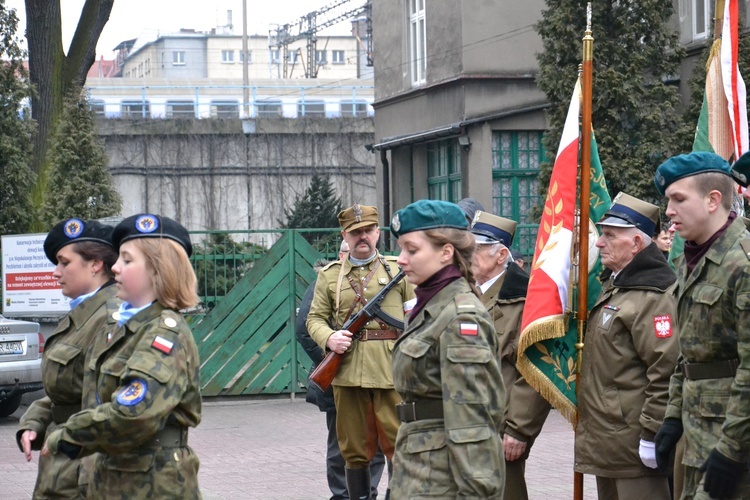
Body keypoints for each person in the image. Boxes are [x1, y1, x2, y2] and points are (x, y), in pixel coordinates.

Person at [41, 213, 202, 499]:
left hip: (153, 485)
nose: (114, 267)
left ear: (157, 269)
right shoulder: (126, 329)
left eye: (127, 260)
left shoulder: (163, 335)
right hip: (118, 478)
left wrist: (68, 434)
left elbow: (133, 414)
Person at [389, 199, 506, 498]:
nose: (401, 259)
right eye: (401, 248)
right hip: (419, 468)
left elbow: (473, 422)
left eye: (412, 250)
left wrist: (477, 492)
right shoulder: (433, 306)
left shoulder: (460, 317)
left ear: (446, 252)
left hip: (442, 480)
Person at [653, 152, 750, 500]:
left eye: (679, 199)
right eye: (668, 201)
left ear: (713, 200)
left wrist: (731, 450)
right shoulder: (691, 259)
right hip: (697, 437)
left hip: (734, 445)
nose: (668, 211)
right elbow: (690, 351)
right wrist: (672, 417)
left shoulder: (742, 261)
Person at [575, 193, 679, 500]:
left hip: (634, 445)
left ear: (636, 243)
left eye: (609, 236)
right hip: (610, 444)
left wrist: (652, 434)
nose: (598, 243)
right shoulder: (617, 285)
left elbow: (666, 370)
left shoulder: (654, 295)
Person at [307, 204, 415, 500]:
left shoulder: (399, 271)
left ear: (378, 232)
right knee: (353, 451)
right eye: (355, 233)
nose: (362, 237)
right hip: (348, 373)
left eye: (368, 230)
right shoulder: (330, 275)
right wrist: (330, 338)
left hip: (391, 372)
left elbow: (416, 318)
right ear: (345, 235)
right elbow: (314, 318)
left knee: (400, 445)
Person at [16, 219, 119, 498]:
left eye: (64, 263)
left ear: (96, 264)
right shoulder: (84, 313)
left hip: (84, 470)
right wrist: (35, 422)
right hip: (64, 465)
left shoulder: (112, 318)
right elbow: (70, 387)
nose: (55, 272)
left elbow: (104, 400)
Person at [470, 211, 551, 500]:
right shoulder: (467, 293)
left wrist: (519, 428)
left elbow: (534, 368)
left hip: (500, 425)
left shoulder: (524, 300)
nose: (467, 254)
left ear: (501, 254)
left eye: (476, 249)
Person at [296, 241, 386, 499]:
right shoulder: (327, 281)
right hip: (338, 379)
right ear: (340, 254)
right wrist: (331, 360)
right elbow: (305, 328)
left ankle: (367, 493)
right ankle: (342, 495)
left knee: (374, 445)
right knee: (340, 448)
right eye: (349, 252)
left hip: (374, 377)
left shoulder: (380, 280)